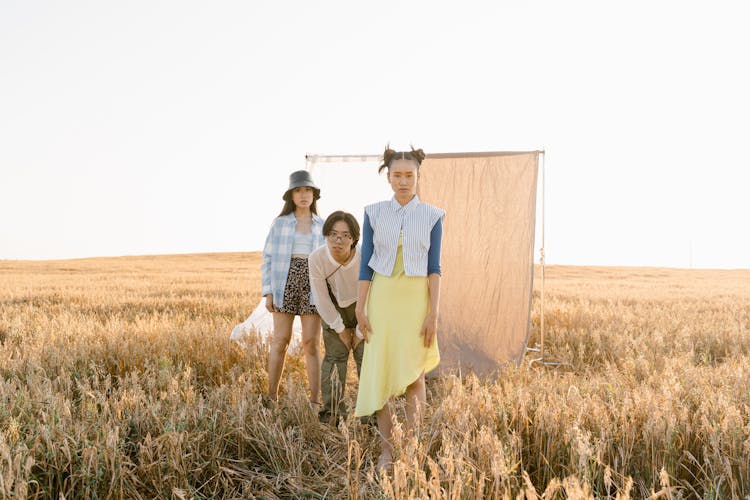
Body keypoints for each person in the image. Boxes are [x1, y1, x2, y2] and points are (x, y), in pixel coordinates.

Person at [354, 146, 445, 471]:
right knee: (380, 377)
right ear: (388, 177)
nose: (403, 181)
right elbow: (365, 266)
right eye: (397, 175)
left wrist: (433, 312)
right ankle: (387, 452)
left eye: (409, 175)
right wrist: (360, 309)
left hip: (415, 304)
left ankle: (413, 451)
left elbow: (435, 269)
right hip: (382, 301)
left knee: (414, 378)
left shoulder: (433, 215)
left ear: (418, 175)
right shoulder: (374, 212)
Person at [261, 170, 325, 408]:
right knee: (281, 340)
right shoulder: (280, 224)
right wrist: (268, 292)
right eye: (298, 190)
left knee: (311, 342)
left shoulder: (322, 224)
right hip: (284, 281)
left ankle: (316, 401)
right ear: (291, 195)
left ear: (314, 194)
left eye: (307, 190)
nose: (303, 195)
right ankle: (271, 397)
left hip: (313, 284)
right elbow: (267, 258)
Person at [308, 211, 366, 424]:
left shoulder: (365, 257)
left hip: (365, 305)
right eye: (332, 234)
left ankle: (371, 416)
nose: (338, 240)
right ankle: (332, 415)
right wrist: (340, 328)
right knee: (335, 357)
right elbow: (321, 298)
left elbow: (375, 296)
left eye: (345, 235)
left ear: (354, 239)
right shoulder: (317, 258)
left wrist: (360, 330)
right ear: (325, 235)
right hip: (333, 307)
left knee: (366, 357)